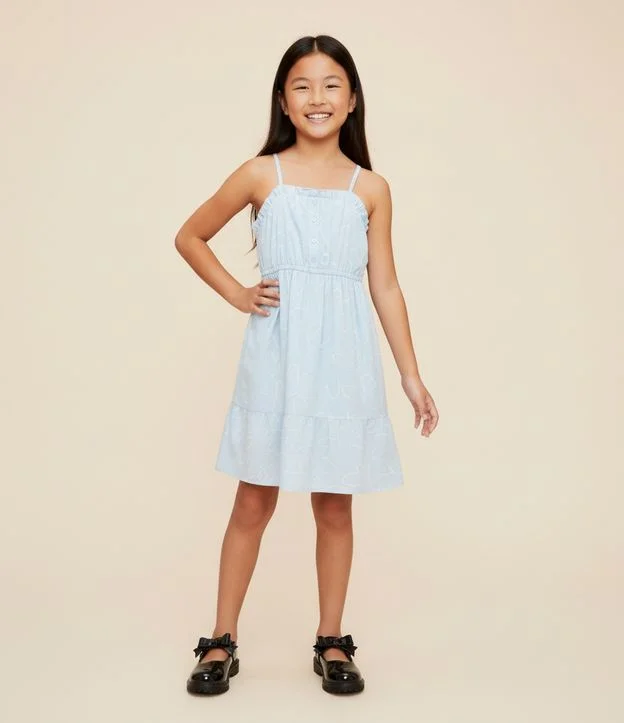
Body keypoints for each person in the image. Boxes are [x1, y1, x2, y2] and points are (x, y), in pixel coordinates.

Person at [174, 34, 439, 696]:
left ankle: (331, 640)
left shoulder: (369, 188)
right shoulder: (261, 174)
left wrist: (410, 375)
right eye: (302, 85)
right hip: (278, 356)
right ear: (283, 101)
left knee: (334, 503)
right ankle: (220, 640)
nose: (317, 97)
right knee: (253, 498)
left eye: (330, 85)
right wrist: (238, 293)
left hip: (343, 362)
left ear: (352, 100)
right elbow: (190, 235)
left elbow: (385, 285)